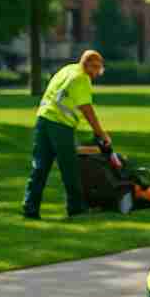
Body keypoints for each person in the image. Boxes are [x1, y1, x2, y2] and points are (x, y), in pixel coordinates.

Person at [22, 50, 110, 219]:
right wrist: (101, 133)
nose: (98, 73)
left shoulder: (68, 69)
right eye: (97, 68)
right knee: (70, 168)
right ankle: (76, 208)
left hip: (43, 120)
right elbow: (87, 110)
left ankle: (30, 208)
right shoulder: (81, 79)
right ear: (90, 66)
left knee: (40, 167)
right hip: (60, 126)